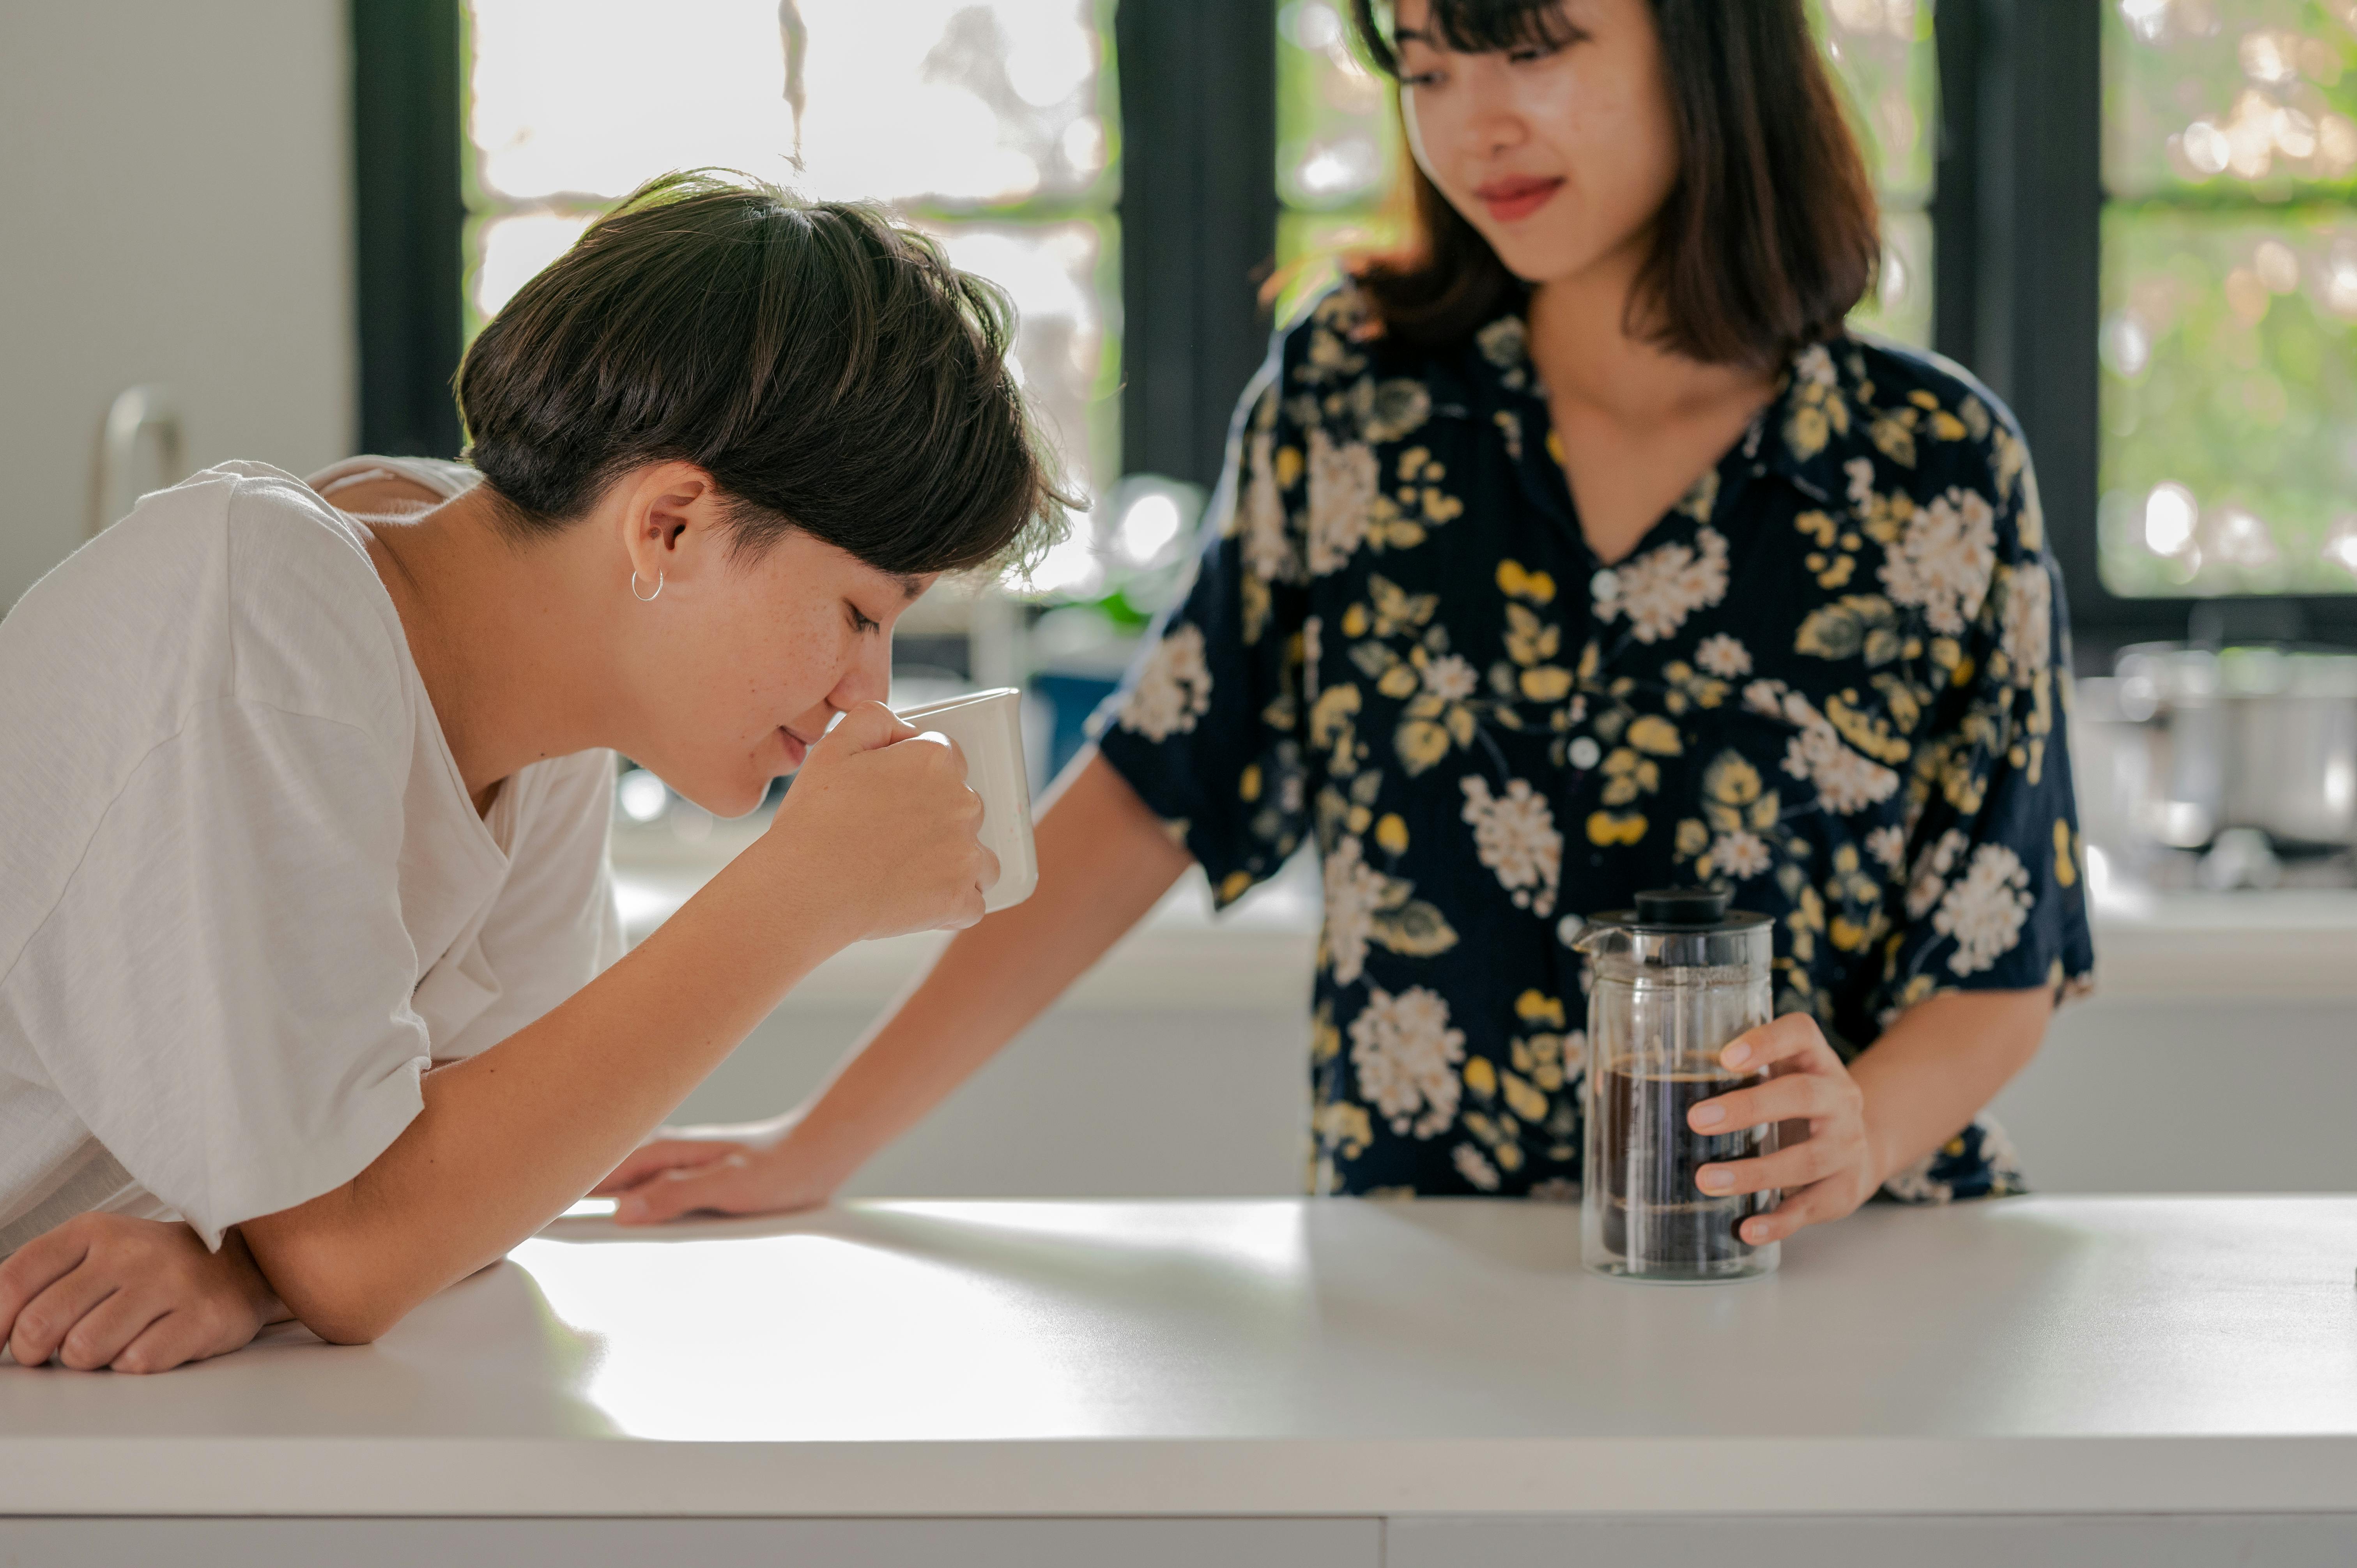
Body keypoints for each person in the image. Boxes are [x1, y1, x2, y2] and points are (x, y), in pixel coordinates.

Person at [601, 0, 2093, 1231]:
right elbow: (1146, 796)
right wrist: (821, 1142)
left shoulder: (1935, 469)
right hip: (1422, 1273)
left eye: (1535, 47)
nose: (1469, 125)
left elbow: (2004, 956)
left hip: (1840, 1284)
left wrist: (1863, 1133)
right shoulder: (1354, 398)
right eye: (1429, 67)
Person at [0, 171, 1064, 1372]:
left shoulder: (545, 713)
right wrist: (801, 892)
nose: (864, 692)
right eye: (860, 614)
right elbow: (357, 1251)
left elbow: (476, 1195)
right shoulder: (268, 619)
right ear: (670, 526)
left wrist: (251, 1269)